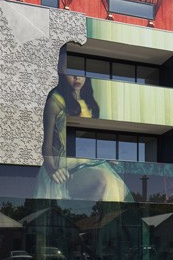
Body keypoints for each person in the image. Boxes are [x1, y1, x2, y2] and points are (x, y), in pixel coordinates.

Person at [37, 49, 131, 202]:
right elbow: (47, 145)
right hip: (66, 169)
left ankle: (98, 216)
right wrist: (52, 169)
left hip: (90, 164)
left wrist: (106, 155)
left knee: (118, 187)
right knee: (105, 181)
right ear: (61, 70)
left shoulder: (89, 104)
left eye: (81, 71)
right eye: (70, 70)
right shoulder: (55, 101)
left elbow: (89, 142)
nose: (77, 77)